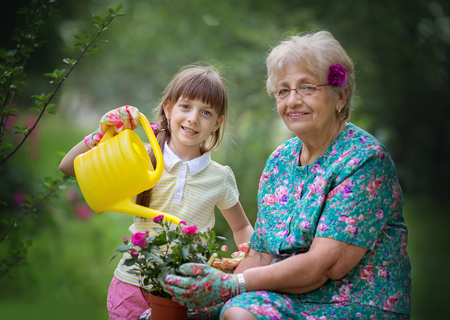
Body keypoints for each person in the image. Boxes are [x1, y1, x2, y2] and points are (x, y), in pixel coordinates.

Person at [162, 31, 412, 319]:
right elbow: (260, 255)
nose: (292, 101)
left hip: (353, 305)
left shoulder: (365, 159)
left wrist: (231, 285)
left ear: (340, 97)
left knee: (238, 312)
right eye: (283, 91)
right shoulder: (280, 160)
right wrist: (208, 296)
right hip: (284, 295)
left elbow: (323, 266)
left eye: (306, 88)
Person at [59, 65, 254, 320]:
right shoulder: (143, 158)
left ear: (217, 123)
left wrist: (248, 253)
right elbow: (68, 166)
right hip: (131, 286)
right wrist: (102, 132)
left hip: (184, 291)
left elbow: (241, 228)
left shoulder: (219, 177)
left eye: (205, 112)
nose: (194, 118)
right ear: (168, 108)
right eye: (186, 106)